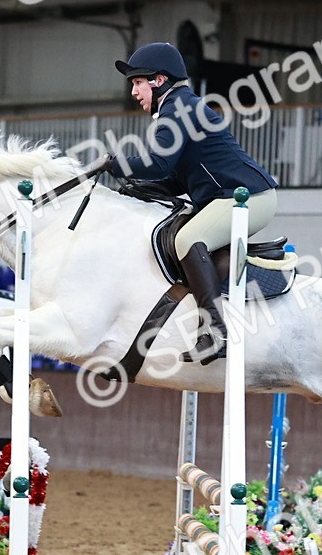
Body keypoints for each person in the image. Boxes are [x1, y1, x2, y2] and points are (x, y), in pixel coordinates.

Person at [103, 42, 278, 364]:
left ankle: (215, 332)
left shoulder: (178, 108)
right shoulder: (178, 107)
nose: (133, 92)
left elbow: (158, 164)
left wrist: (114, 163)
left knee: (188, 238)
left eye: (137, 83)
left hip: (249, 197)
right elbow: (173, 180)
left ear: (158, 80)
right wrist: (131, 188)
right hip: (231, 197)